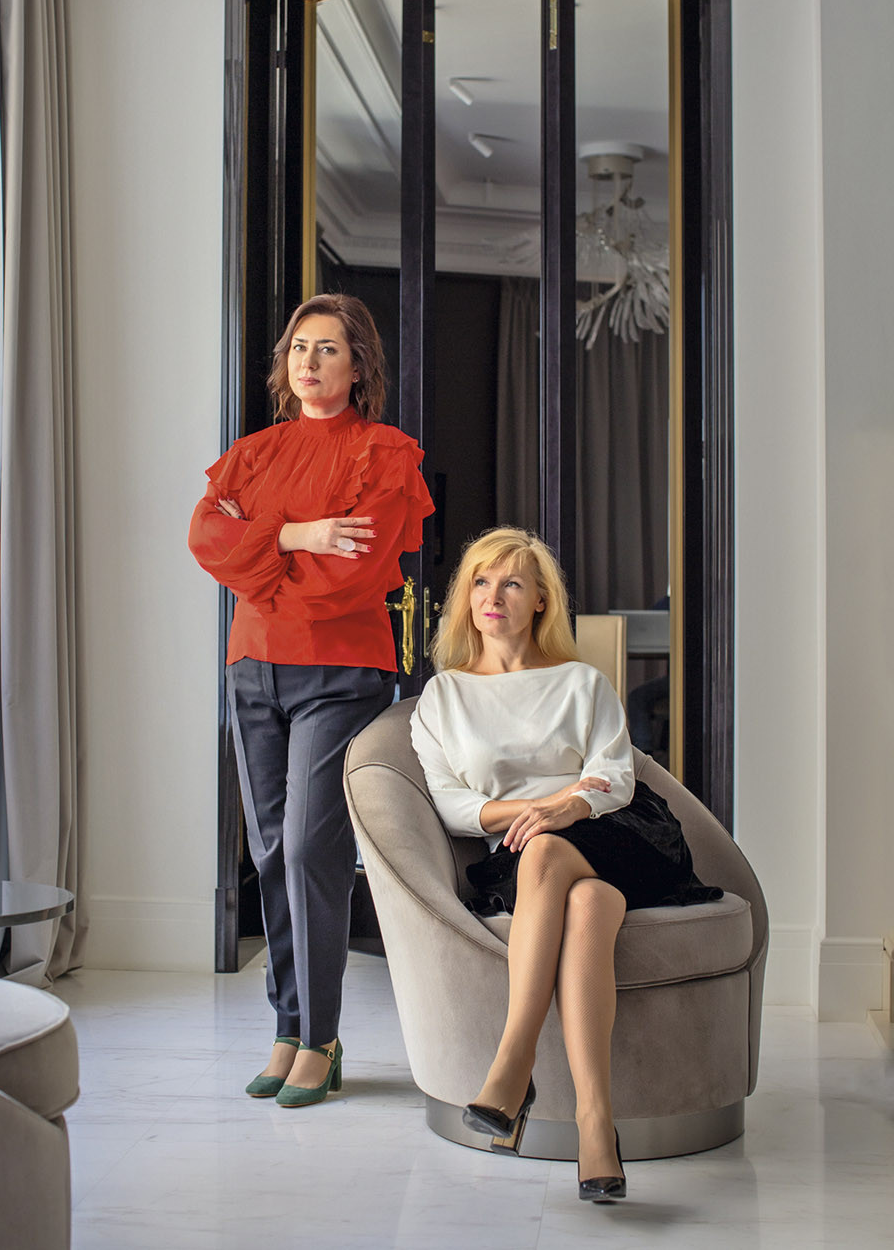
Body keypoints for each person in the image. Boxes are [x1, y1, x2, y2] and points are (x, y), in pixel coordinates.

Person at [410, 527, 720, 1201]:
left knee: (548, 849)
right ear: (466, 597)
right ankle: (595, 1124)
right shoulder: (444, 697)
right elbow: (454, 805)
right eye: (481, 582)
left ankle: (512, 1064)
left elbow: (615, 776)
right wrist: (534, 813)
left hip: (620, 833)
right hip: (525, 857)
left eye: (512, 583)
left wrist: (563, 809)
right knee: (586, 903)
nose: (493, 596)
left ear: (541, 601)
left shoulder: (582, 682)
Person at [189, 293, 433, 1108]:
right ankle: (288, 1030)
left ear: (358, 366)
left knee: (307, 850)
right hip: (252, 668)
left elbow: (349, 580)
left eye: (328, 348)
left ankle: (321, 1037)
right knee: (266, 852)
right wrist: (298, 535)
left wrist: (257, 552)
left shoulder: (386, 455)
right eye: (299, 347)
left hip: (340, 672)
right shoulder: (252, 454)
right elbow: (203, 538)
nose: (309, 361)